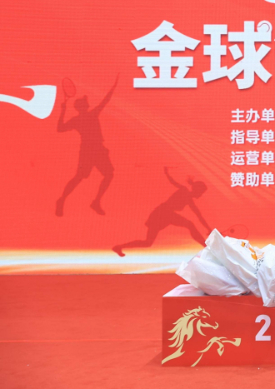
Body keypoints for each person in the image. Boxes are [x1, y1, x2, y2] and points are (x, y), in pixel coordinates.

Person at [112, 167, 210, 256]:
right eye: (201, 192)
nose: (201, 195)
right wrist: (167, 174)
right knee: (148, 242)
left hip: (164, 214)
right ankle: (206, 248)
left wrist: (209, 229)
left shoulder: (188, 198)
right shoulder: (185, 192)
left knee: (148, 242)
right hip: (162, 213)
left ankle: (119, 247)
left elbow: (199, 215)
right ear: (197, 190)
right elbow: (173, 182)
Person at [56, 75, 118, 216]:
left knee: (103, 175)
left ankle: (90, 201)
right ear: (83, 107)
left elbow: (60, 128)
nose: (88, 104)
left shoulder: (78, 119)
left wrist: (63, 110)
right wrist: (113, 86)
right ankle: (66, 200)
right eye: (86, 103)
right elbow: (105, 100)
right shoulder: (91, 115)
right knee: (96, 176)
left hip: (94, 150)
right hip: (92, 151)